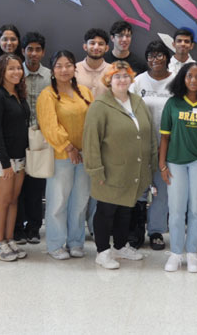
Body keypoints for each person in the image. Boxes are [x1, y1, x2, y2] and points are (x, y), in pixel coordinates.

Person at [83, 62, 155, 269]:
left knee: (126, 209)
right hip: (109, 170)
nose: (122, 80)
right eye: (117, 77)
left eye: (125, 76)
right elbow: (91, 141)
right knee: (106, 210)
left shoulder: (138, 102)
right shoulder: (100, 106)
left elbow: (149, 135)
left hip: (133, 169)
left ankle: (120, 246)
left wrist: (150, 164)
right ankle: (103, 251)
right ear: (109, 81)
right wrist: (95, 170)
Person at [159, 62, 197, 272]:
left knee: (196, 207)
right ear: (182, 79)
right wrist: (162, 164)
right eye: (188, 76)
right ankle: (176, 253)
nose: (193, 81)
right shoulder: (173, 103)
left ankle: (192, 253)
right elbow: (165, 138)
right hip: (175, 161)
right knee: (176, 208)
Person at [37, 50, 93, 260]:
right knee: (58, 202)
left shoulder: (85, 93)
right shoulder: (48, 95)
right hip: (62, 156)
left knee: (80, 202)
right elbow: (49, 126)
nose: (64, 69)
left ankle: (76, 242)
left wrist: (85, 150)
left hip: (84, 155)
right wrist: (69, 148)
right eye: (59, 65)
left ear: (74, 68)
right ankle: (55, 244)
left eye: (68, 65)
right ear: (52, 70)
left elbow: (92, 122)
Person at [128, 41, 175, 251]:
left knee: (161, 191)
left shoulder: (176, 81)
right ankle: (136, 230)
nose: (155, 60)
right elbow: (128, 111)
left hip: (169, 146)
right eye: (151, 56)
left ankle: (156, 231)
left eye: (159, 55)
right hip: (141, 146)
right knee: (139, 188)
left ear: (167, 57)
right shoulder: (138, 81)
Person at [0, 53, 30, 261]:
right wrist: (5, 163)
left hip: (19, 156)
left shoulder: (20, 95)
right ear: (1, 72)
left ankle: (9, 239)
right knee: (2, 200)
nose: (16, 72)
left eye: (19, 68)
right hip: (0, 158)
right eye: (11, 68)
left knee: (13, 200)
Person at [13, 32, 50, 245]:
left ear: (43, 52)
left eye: (37, 49)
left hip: (41, 137)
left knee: (36, 184)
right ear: (23, 51)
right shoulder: (16, 72)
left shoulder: (50, 75)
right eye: (29, 49)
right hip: (18, 135)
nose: (33, 53)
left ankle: (34, 227)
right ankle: (17, 227)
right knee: (18, 185)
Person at [76, 28, 111, 97]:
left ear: (106, 48)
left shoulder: (113, 71)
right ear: (85, 46)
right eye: (92, 43)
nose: (96, 47)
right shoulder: (74, 69)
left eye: (100, 44)